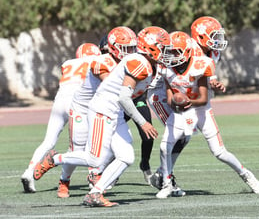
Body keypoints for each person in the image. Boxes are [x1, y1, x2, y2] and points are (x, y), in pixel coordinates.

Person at [33, 26, 162, 207]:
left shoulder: (146, 64)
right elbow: (124, 96)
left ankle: (95, 193)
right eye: (162, 47)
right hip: (102, 109)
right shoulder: (136, 63)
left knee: (126, 157)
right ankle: (54, 159)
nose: (166, 52)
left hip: (114, 111)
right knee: (94, 158)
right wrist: (143, 122)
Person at [154, 30, 259, 199]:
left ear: (187, 52)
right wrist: (177, 102)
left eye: (175, 52)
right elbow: (169, 99)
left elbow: (203, 98)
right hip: (181, 112)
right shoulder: (165, 68)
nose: (171, 56)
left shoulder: (200, 65)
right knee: (164, 147)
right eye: (169, 51)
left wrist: (188, 101)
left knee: (219, 152)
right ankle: (167, 184)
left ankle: (246, 174)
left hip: (200, 110)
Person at [147, 17, 227, 194]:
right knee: (179, 133)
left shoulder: (211, 52)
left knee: (185, 136)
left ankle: (162, 174)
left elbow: (204, 75)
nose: (217, 40)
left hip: (182, 92)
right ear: (200, 36)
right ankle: (164, 176)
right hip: (161, 93)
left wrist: (212, 82)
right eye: (213, 35)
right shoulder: (190, 48)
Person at [55, 28, 128, 198]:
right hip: (83, 107)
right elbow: (113, 87)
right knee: (77, 148)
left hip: (100, 109)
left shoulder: (121, 64)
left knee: (107, 145)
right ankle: (64, 180)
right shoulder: (101, 62)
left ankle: (95, 174)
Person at [20, 43, 101, 194]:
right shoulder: (96, 62)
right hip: (77, 103)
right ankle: (85, 178)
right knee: (80, 147)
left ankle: (29, 171)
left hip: (59, 101)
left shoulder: (68, 63)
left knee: (48, 141)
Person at [99, 34, 154, 184]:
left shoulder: (136, 61)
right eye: (125, 48)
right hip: (118, 103)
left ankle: (145, 164)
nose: (127, 51)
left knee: (148, 135)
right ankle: (110, 170)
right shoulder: (105, 62)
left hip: (137, 100)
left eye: (130, 47)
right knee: (112, 138)